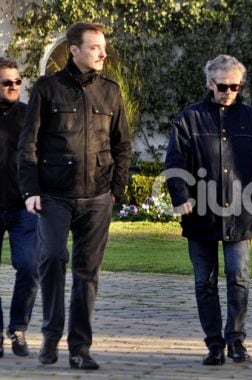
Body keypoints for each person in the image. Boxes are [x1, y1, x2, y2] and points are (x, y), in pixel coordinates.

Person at [18, 22, 132, 370]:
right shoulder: (47, 88)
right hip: (54, 197)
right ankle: (51, 334)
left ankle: (80, 348)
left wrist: (116, 190)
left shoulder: (110, 92)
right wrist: (30, 190)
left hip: (97, 198)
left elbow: (122, 145)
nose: (102, 53)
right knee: (52, 259)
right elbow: (29, 143)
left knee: (88, 274)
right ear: (75, 50)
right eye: (95, 47)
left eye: (103, 46)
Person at [165, 54, 252, 366]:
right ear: (210, 84)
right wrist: (180, 195)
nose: (228, 92)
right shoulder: (190, 118)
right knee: (204, 281)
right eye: (222, 86)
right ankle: (214, 344)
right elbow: (174, 159)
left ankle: (236, 340)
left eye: (235, 86)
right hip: (200, 212)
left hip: (240, 212)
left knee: (239, 276)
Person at [0, 57, 39, 358]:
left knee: (29, 265)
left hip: (24, 206)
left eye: (17, 81)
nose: (14, 87)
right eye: (7, 82)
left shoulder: (29, 116)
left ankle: (18, 326)